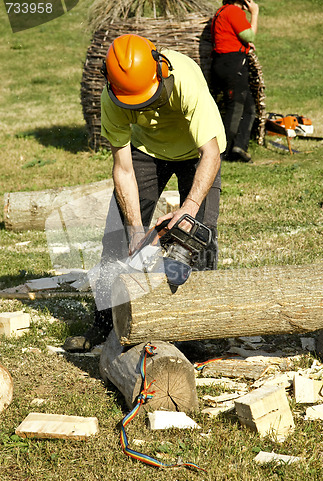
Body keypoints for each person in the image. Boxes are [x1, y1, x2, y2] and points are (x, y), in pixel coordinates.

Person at [63, 33, 226, 352]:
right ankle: (105, 323)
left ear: (160, 72)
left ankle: (198, 333)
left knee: (199, 236)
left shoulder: (185, 80)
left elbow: (211, 153)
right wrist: (136, 231)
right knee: (116, 236)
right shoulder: (112, 98)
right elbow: (123, 168)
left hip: (197, 152)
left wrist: (189, 209)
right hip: (146, 152)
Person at [210, 0, 259, 162]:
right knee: (236, 107)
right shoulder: (234, 11)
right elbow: (250, 35)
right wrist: (255, 13)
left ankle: (239, 147)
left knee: (249, 107)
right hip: (233, 64)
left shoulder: (221, 12)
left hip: (221, 63)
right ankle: (223, 151)